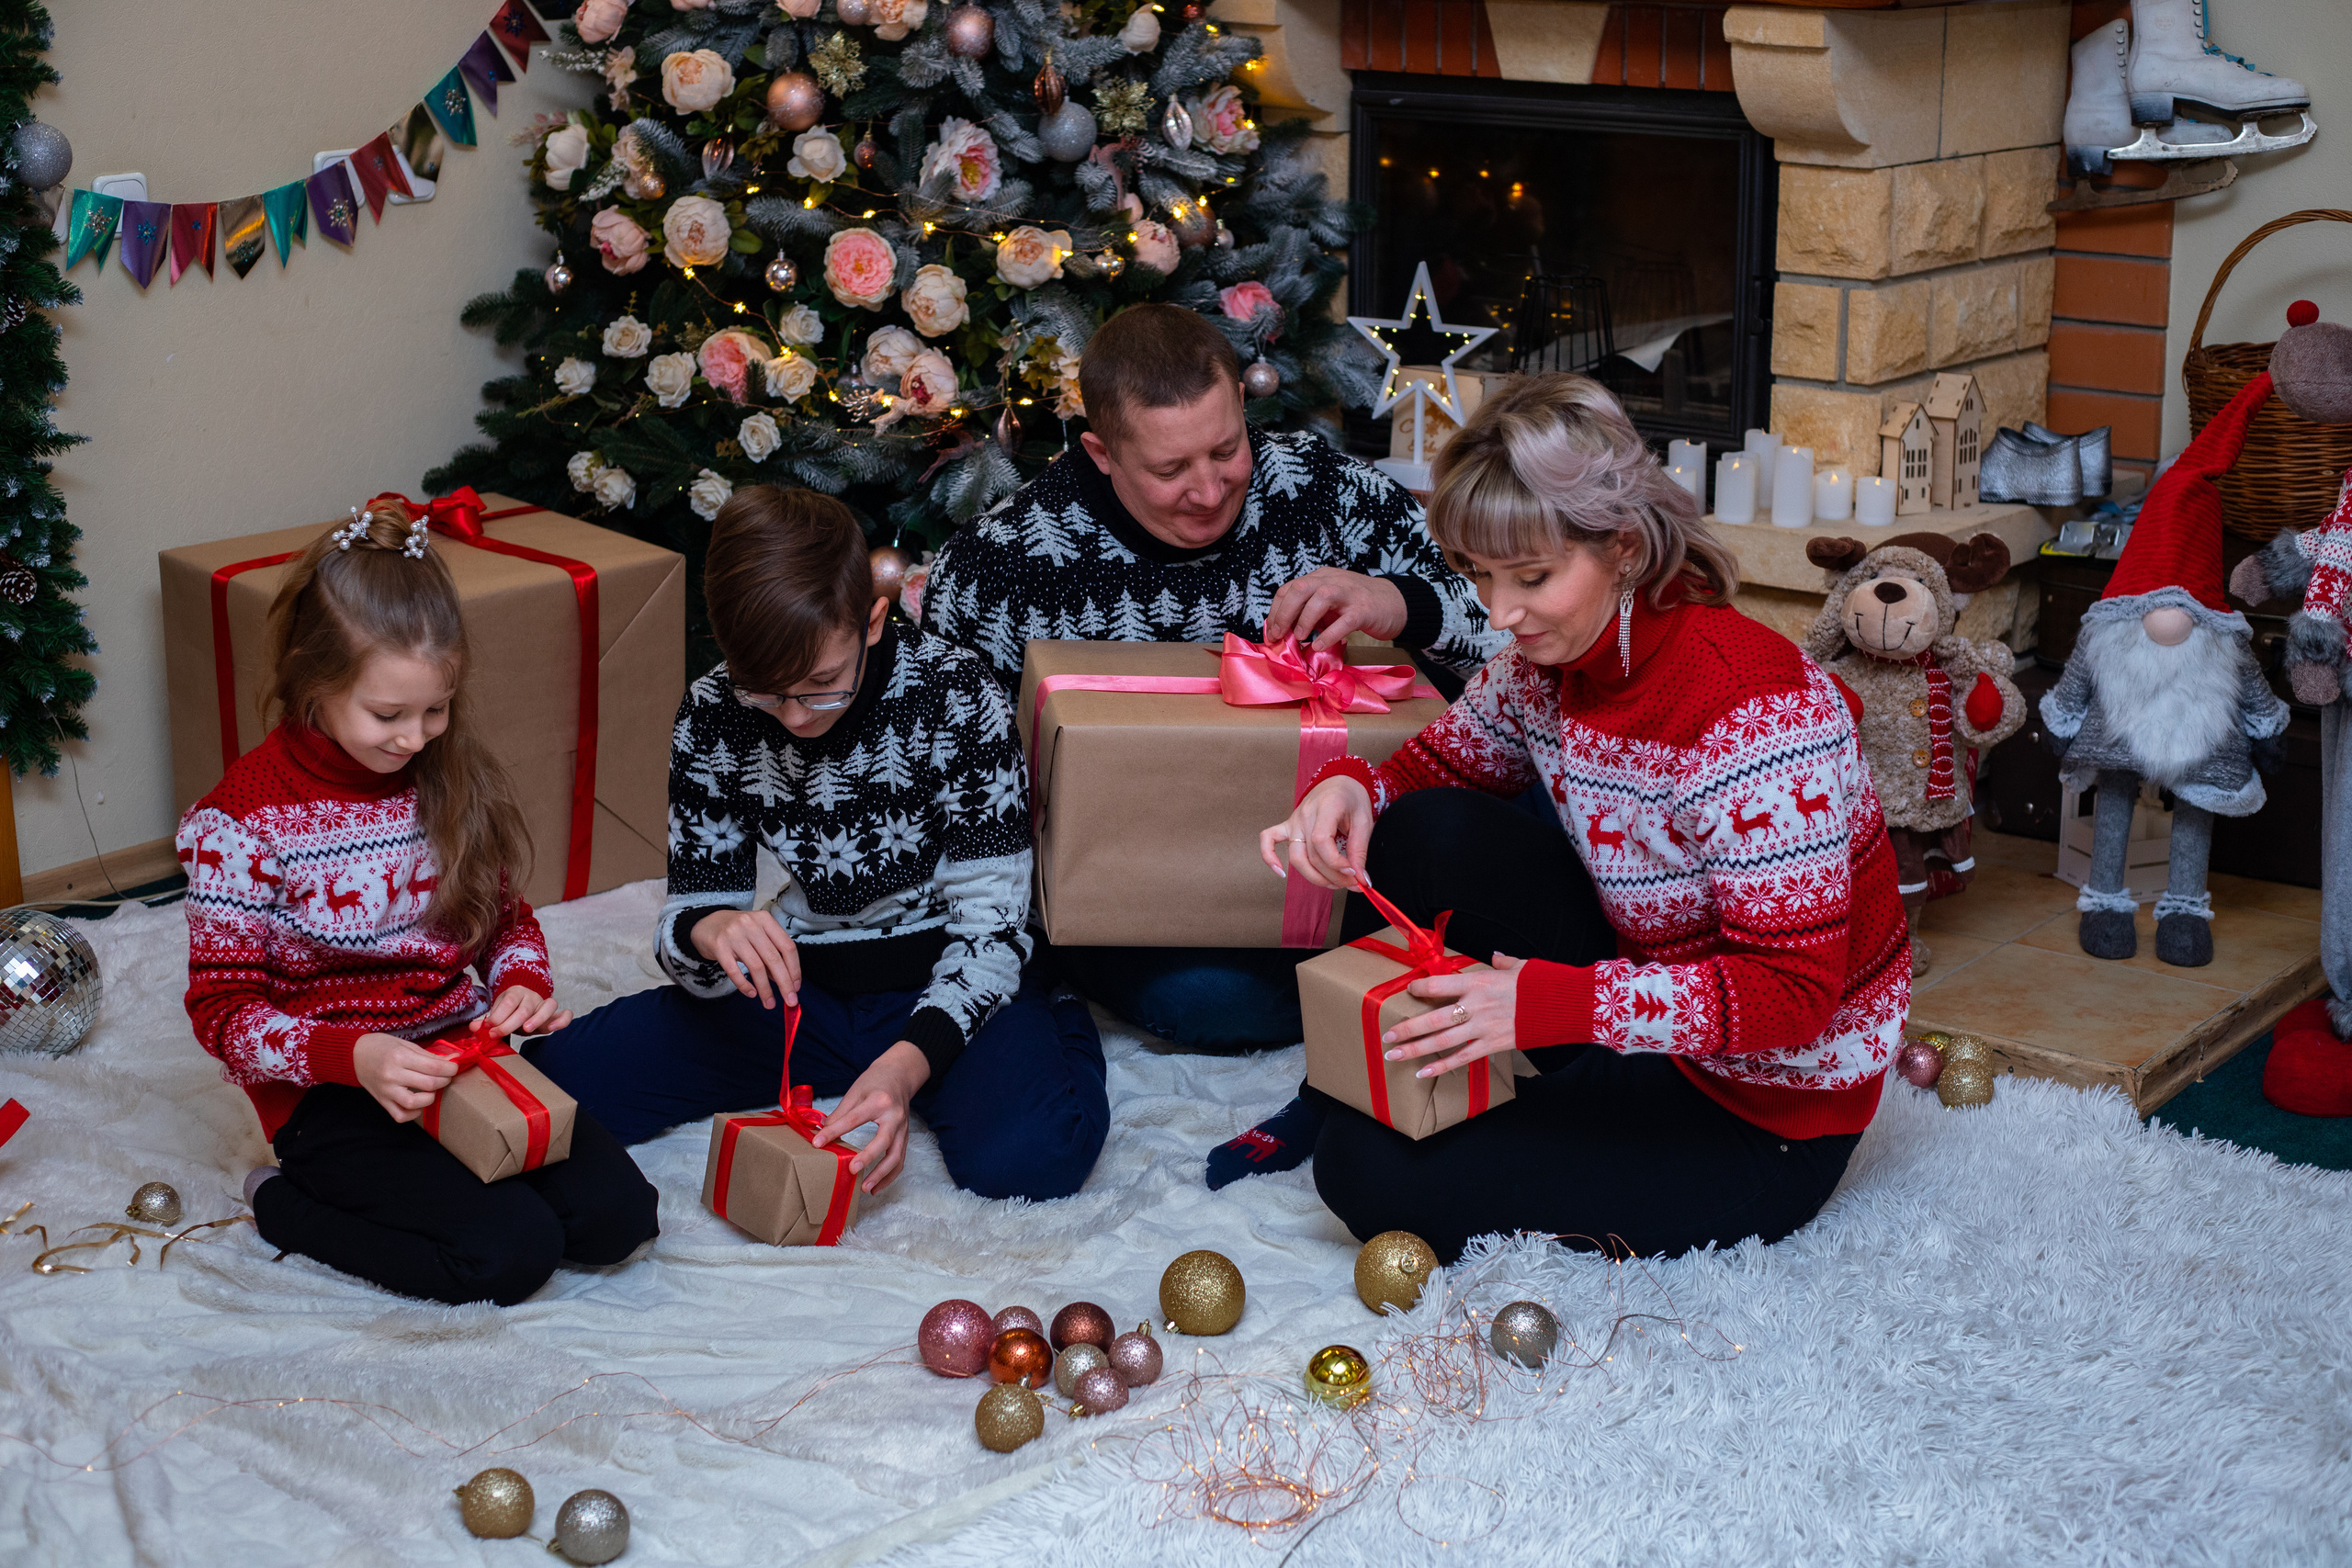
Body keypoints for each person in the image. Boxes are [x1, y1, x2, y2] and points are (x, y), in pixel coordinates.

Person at [1257, 374, 1910, 1260]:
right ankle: (1373, 1071)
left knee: (1365, 1174)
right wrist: (1347, 790)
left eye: (1532, 576)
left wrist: (1547, 1005)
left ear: (1627, 549)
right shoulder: (1545, 660)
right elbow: (1437, 768)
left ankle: (1508, 1086)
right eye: (1480, 576)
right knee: (1425, 829)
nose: (1502, 613)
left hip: (1766, 1107)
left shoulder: (1754, 716)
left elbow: (1791, 998)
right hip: (1647, 1004)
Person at [918, 302, 1504, 1185]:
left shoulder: (1321, 490)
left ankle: (1397, 971)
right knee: (1208, 1002)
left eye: (1226, 449)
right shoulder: (1007, 564)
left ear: (1244, 406)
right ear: (1100, 454)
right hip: (1141, 901)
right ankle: (1391, 982)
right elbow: (950, 774)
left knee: (1510, 841)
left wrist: (1401, 601)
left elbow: (1508, 644)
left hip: (1351, 852)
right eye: (1169, 468)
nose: (1209, 487)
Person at [532, 488, 1108, 1203]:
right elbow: (693, 913)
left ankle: (1052, 1015)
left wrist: (907, 1065)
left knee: (1033, 1157)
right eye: (767, 694)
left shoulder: (958, 694)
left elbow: (991, 928)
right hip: (801, 988)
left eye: (821, 686)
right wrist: (710, 929)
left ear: (871, 619)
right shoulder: (714, 714)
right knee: (553, 1085)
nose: (797, 718)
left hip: (946, 976)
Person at [180, 499, 658, 1307]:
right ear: (310, 679)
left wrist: (522, 983)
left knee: (621, 1219)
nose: (415, 737)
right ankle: (283, 1204)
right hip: (334, 1091)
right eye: (387, 714)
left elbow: (506, 921)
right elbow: (223, 1012)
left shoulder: (446, 775)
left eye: (436, 709)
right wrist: (352, 1057)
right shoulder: (240, 823)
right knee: (511, 1254)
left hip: (464, 1056)